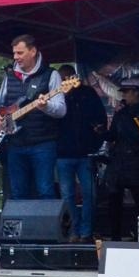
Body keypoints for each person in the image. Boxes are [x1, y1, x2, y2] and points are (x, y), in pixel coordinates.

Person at [0, 33, 67, 200]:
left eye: (20, 53)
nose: (16, 57)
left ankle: (46, 226)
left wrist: (46, 106)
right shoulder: (9, 76)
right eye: (14, 53)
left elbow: (61, 110)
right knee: (17, 193)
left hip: (43, 143)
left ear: (33, 51)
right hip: (15, 144)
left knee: (45, 190)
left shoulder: (51, 75)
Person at [54, 64, 107, 241]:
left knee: (89, 194)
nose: (66, 81)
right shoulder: (55, 95)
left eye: (68, 77)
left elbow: (100, 118)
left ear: (74, 77)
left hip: (85, 153)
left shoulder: (87, 94)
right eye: (62, 78)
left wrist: (97, 136)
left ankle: (86, 231)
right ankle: (75, 229)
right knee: (67, 195)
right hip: (63, 154)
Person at [103, 81, 139, 239]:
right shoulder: (121, 113)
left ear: (136, 93)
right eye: (123, 92)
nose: (124, 95)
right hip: (118, 161)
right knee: (114, 199)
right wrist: (99, 131)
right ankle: (115, 236)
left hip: (136, 160)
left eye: (127, 92)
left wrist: (127, 115)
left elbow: (138, 136)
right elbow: (112, 135)